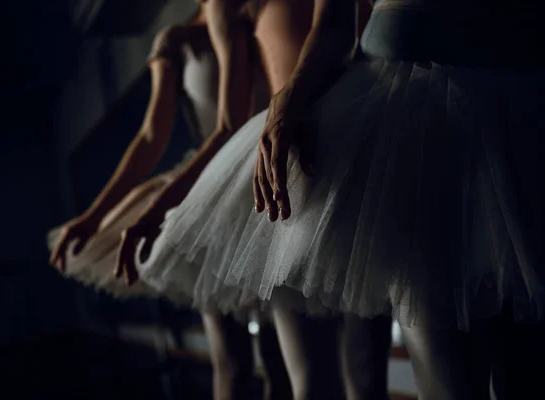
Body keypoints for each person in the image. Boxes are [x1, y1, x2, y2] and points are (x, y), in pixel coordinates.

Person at [123, 0, 545, 399]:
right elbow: (334, 22)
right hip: (412, 130)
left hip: (517, 97)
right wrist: (291, 98)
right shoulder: (217, 20)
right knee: (440, 377)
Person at [120, 1, 394, 399]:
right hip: (289, 171)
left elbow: (343, 34)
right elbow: (220, 124)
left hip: (362, 155)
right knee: (306, 376)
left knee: (364, 375)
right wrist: (160, 208)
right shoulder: (230, 11)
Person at [48, 3, 293, 399]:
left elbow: (243, 115)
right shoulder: (176, 39)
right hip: (208, 193)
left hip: (260, 178)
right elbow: (149, 137)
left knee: (280, 356)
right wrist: (94, 217)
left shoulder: (244, 12)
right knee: (231, 359)